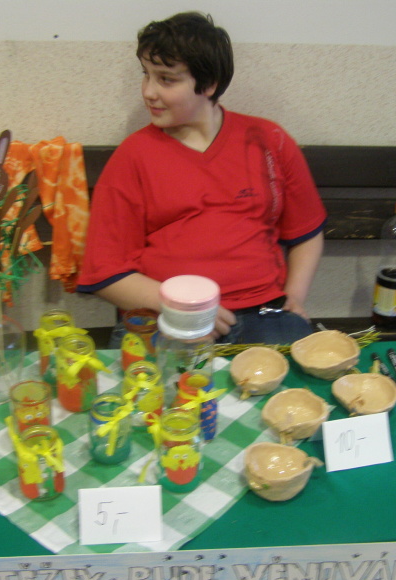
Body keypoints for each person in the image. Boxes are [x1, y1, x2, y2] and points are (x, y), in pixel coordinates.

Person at [77, 11, 327, 346]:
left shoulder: (268, 140)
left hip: (261, 311)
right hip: (164, 316)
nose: (148, 92)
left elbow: (306, 232)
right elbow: (105, 272)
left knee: (301, 375)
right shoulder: (133, 156)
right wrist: (180, 307)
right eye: (146, 75)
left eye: (166, 79)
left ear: (208, 84)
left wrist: (294, 297)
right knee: (163, 379)